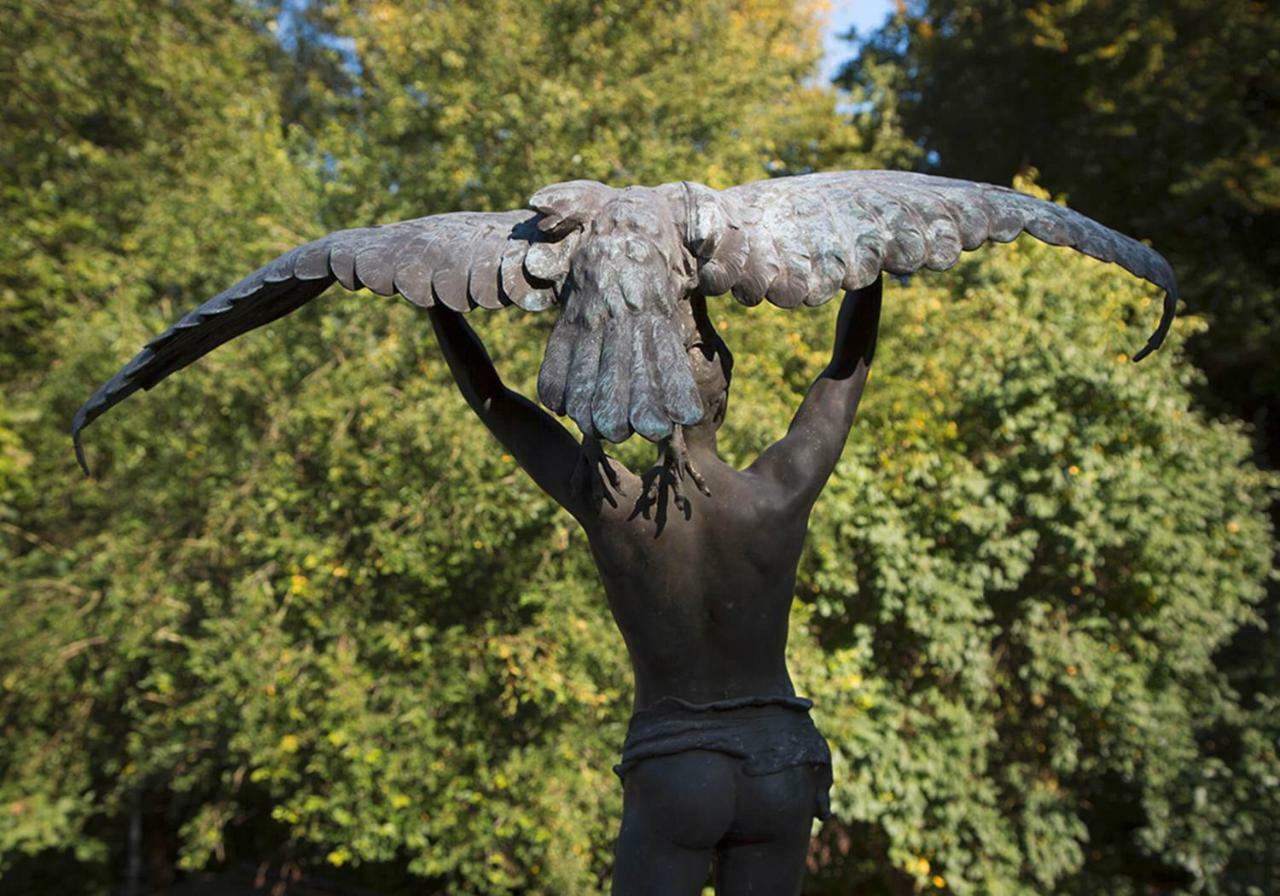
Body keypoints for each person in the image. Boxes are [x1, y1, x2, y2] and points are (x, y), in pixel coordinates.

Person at [427, 275, 882, 896]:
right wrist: (870, 263)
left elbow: (494, 399)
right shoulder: (776, 493)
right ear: (721, 402)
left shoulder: (614, 503)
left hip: (678, 765)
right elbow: (844, 374)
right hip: (780, 760)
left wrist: (436, 297)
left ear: (648, 406)